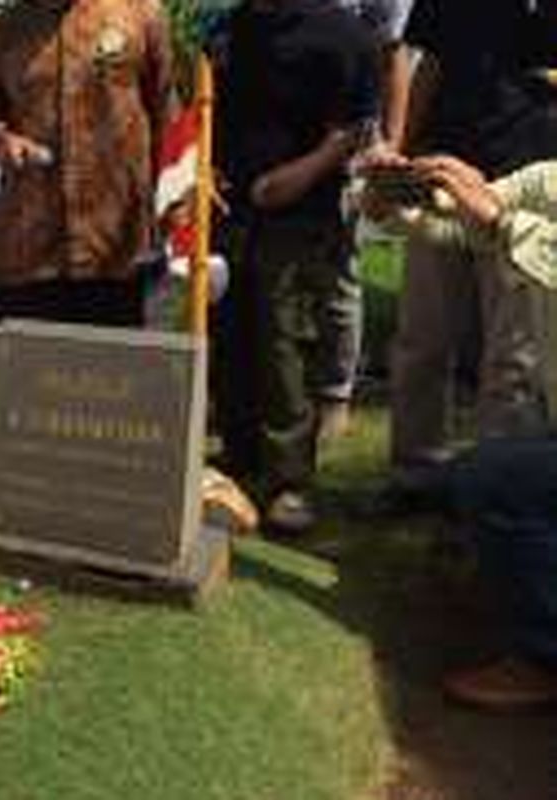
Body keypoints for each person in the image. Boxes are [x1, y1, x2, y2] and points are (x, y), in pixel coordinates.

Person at [362, 154, 557, 710]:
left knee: (493, 480)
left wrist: (497, 218)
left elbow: (499, 221)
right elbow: (461, 222)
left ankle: (543, 661)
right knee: (460, 485)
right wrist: (402, 199)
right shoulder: (549, 177)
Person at [212, 0, 378, 533]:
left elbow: (352, 129)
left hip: (301, 215)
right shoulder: (230, 27)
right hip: (228, 210)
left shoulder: (341, 34)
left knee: (284, 343)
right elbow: (206, 105)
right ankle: (237, 460)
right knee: (231, 335)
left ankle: (289, 482)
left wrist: (297, 177)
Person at [386, 0, 557, 504]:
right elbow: (429, 65)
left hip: (526, 183)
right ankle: (415, 476)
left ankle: (494, 495)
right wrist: (402, 147)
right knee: (422, 341)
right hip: (444, 173)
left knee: (513, 361)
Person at [0, 0, 171, 327]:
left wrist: (174, 205)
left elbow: (167, 114)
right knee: (32, 373)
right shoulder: (6, 27)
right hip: (31, 248)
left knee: (115, 373)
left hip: (118, 244)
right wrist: (3, 139)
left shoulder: (140, 13)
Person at [317, 0, 414, 441]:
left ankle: (335, 396)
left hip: (354, 134)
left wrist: (392, 143)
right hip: (284, 129)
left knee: (339, 270)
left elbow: (394, 56)